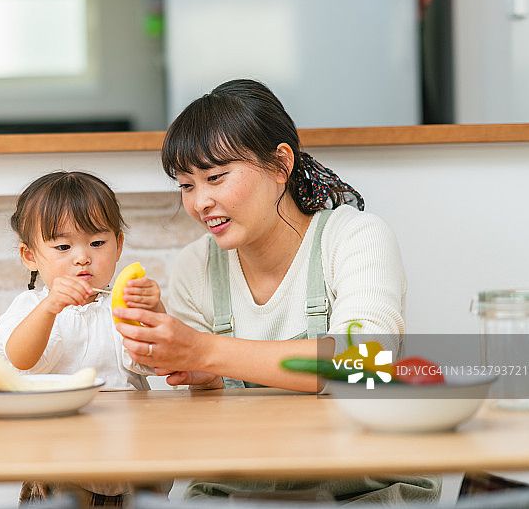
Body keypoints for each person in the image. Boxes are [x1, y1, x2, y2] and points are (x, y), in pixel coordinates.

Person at [112, 79, 440, 504]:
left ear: (281, 165)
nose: (200, 202)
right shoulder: (196, 265)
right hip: (241, 491)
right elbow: (206, 418)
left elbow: (364, 363)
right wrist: (203, 378)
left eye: (216, 177)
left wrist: (205, 350)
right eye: (187, 185)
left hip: (366, 489)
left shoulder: (354, 238)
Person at [0, 170, 165, 506]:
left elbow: (156, 356)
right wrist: (49, 308)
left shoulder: (122, 304)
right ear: (30, 256)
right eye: (63, 246)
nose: (82, 257)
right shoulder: (30, 307)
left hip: (131, 464)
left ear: (119, 245)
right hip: (57, 468)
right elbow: (20, 360)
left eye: (97, 243)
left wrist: (155, 309)